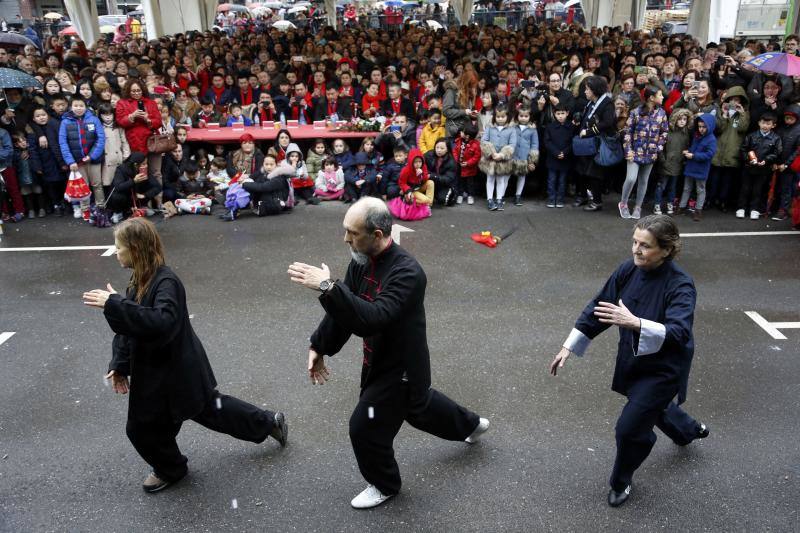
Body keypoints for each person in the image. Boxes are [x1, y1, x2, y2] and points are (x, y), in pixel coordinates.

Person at [287, 197, 489, 509]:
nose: (345, 239)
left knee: (364, 426)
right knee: (419, 407)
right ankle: (471, 425)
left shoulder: (408, 273)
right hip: (382, 362)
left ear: (378, 235)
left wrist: (329, 287)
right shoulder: (360, 261)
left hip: (401, 369)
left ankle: (385, 484)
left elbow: (372, 318)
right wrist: (320, 346)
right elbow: (347, 311)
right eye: (345, 231)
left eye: (352, 233)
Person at [82, 218, 288, 494]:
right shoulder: (138, 280)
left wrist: (115, 304)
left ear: (135, 248)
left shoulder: (167, 282)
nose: (115, 252)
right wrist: (118, 364)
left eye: (119, 247)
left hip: (179, 373)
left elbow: (161, 322)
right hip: (156, 375)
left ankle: (268, 423)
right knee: (144, 428)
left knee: (213, 412)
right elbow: (132, 328)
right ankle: (172, 467)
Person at [550, 214, 710, 508]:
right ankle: (689, 430)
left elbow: (679, 331)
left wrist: (636, 323)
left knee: (630, 427)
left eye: (645, 246)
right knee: (650, 407)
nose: (636, 250)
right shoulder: (628, 269)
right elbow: (601, 306)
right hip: (633, 362)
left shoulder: (681, 285)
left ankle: (621, 481)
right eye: (635, 242)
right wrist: (568, 346)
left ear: (666, 250)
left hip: (663, 371)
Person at [619, 86, 668, 220]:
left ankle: (638, 206)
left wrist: (658, 147)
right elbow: (627, 131)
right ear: (651, 98)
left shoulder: (662, 113)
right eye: (660, 95)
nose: (663, 97)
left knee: (643, 180)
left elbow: (664, 132)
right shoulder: (636, 112)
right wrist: (628, 150)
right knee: (631, 178)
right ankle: (623, 203)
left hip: (651, 153)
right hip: (634, 152)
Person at [678, 114, 718, 221]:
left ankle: (698, 210)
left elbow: (709, 154)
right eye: (700, 126)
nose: (701, 129)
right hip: (691, 166)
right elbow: (694, 148)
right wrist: (689, 151)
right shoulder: (696, 136)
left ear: (709, 126)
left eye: (704, 127)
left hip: (701, 168)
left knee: (700, 190)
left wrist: (694, 155)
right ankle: (682, 206)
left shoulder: (711, 139)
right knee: (686, 188)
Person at [479, 105, 517, 211]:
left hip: (503, 160)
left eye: (503, 116)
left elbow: (512, 144)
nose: (500, 119)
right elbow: (484, 140)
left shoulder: (511, 129)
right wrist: (492, 153)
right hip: (490, 159)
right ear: (495, 116)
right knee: (490, 179)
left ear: (507, 116)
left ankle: (499, 199)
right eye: (498, 116)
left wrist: (502, 154)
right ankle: (490, 200)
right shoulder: (490, 127)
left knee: (501, 180)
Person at [543, 103, 575, 208]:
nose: (560, 116)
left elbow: (572, 142)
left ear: (567, 113)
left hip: (565, 158)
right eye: (558, 113)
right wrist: (556, 152)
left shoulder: (571, 127)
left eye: (563, 113)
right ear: (554, 114)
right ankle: (551, 199)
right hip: (553, 158)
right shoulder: (550, 127)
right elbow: (547, 142)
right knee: (551, 179)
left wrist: (564, 152)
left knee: (562, 180)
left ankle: (560, 199)